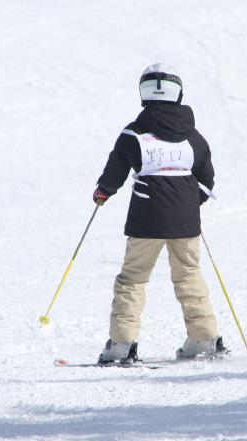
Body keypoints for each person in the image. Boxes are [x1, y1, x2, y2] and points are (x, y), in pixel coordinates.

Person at [93, 63, 228, 365]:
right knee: (188, 274)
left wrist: (103, 192)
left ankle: (121, 345)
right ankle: (204, 339)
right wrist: (190, 203)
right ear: (177, 93)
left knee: (133, 280)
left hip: (146, 218)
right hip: (185, 220)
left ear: (144, 93)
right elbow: (206, 179)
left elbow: (115, 171)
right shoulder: (193, 137)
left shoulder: (134, 133)